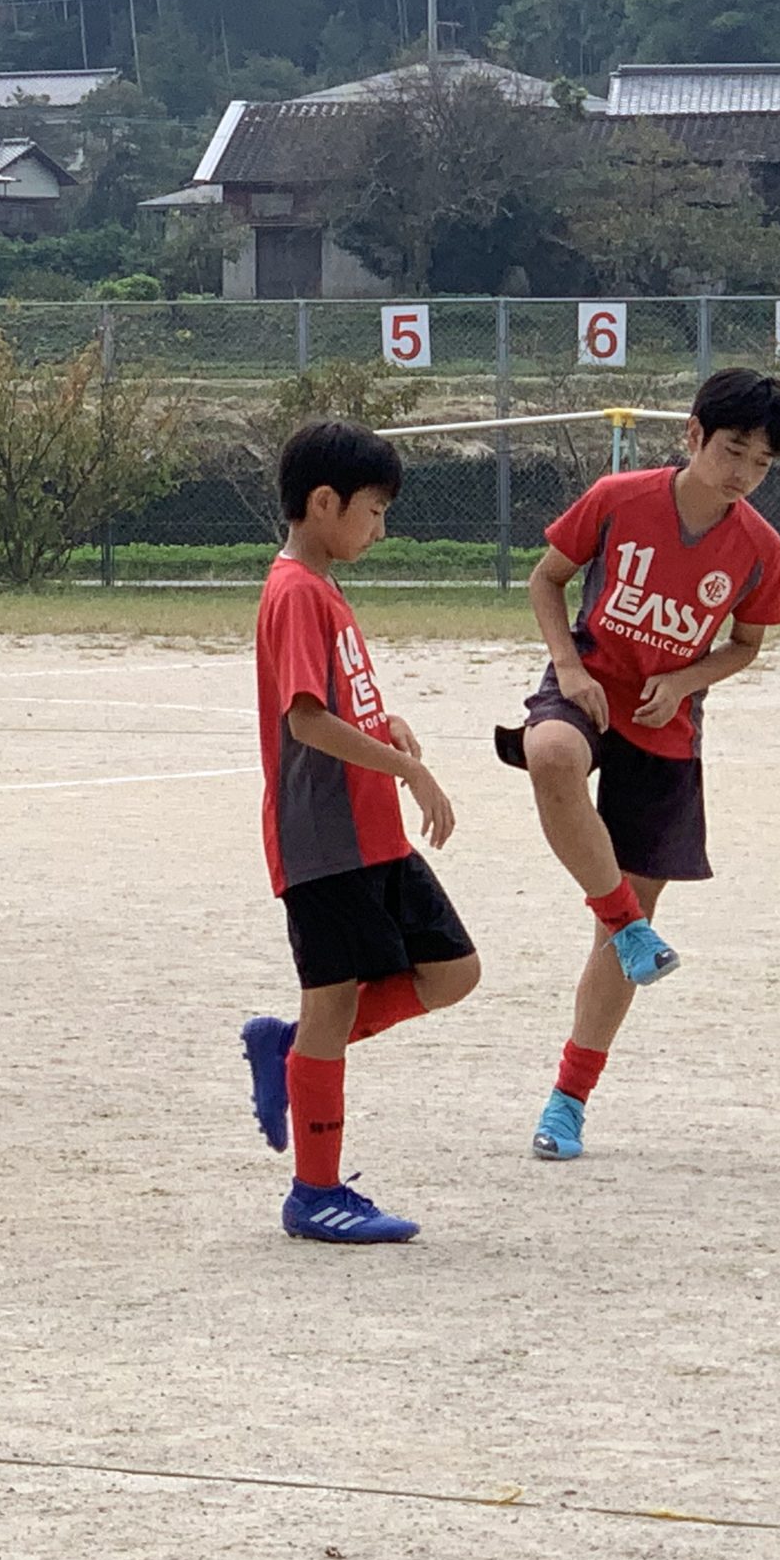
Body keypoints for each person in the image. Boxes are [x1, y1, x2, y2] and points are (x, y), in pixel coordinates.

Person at [499, 369, 780, 1163]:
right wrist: (566, 665)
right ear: (693, 434)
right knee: (549, 750)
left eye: (762, 463)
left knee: (621, 935)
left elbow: (745, 644)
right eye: (733, 450)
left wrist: (688, 678)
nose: (742, 473)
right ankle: (628, 925)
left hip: (666, 728)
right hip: (590, 685)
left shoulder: (761, 549)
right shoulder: (619, 497)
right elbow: (547, 578)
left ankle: (568, 1101)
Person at [237, 422, 480, 1245]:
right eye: (374, 511)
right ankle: (314, 1192)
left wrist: (389, 724)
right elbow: (305, 720)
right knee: (333, 1004)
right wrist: (407, 769)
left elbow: (337, 704)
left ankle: (294, 1050)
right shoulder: (296, 590)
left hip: (369, 831)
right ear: (323, 502)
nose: (381, 528)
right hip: (325, 838)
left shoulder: (325, 586)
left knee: (453, 971)